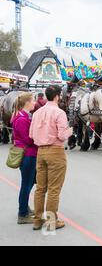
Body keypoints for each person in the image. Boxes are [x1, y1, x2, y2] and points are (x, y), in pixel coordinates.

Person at [29, 85, 73, 231]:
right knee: (54, 189)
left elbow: (31, 135)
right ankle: (51, 221)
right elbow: (61, 135)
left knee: (40, 188)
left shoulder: (37, 113)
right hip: (55, 151)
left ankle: (37, 220)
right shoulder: (59, 113)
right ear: (57, 96)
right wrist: (69, 131)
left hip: (40, 152)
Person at [11, 92, 38, 225]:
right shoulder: (22, 119)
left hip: (30, 154)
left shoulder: (24, 116)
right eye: (33, 100)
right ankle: (22, 214)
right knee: (26, 185)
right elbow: (28, 139)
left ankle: (24, 206)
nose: (35, 102)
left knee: (30, 182)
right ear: (27, 102)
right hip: (28, 154)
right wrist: (40, 137)